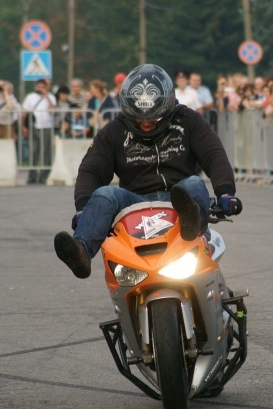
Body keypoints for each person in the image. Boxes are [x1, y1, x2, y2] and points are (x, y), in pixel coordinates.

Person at [54, 64, 243, 279]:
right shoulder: (114, 131)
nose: (146, 123)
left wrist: (225, 192)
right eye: (139, 117)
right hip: (135, 203)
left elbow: (214, 154)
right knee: (105, 193)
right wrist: (83, 207)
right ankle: (81, 250)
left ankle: (193, 224)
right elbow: (91, 170)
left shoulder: (189, 120)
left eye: (154, 116)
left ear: (167, 106)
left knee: (193, 182)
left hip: (180, 200)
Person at [22, 79, 57, 184]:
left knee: (46, 152)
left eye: (43, 86)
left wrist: (46, 96)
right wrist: (24, 126)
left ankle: (43, 176)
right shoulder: (30, 97)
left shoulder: (51, 97)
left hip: (46, 127)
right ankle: (32, 175)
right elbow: (24, 113)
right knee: (33, 151)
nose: (40, 88)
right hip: (33, 127)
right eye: (39, 86)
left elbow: (53, 110)